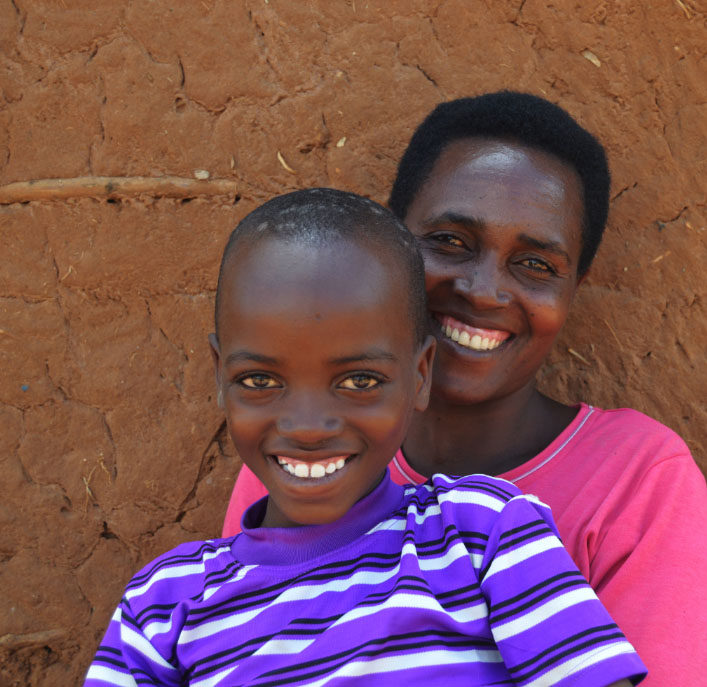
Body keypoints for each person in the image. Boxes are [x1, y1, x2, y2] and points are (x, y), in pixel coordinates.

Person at [222, 94, 707, 687]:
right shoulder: (305, 451)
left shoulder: (636, 480)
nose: (483, 291)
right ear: (389, 249)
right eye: (450, 241)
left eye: (535, 265)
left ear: (574, 289)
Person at [84, 189, 645, 687]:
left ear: (420, 377)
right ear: (219, 377)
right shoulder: (163, 607)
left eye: (359, 381)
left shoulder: (484, 534)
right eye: (260, 381)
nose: (306, 425)